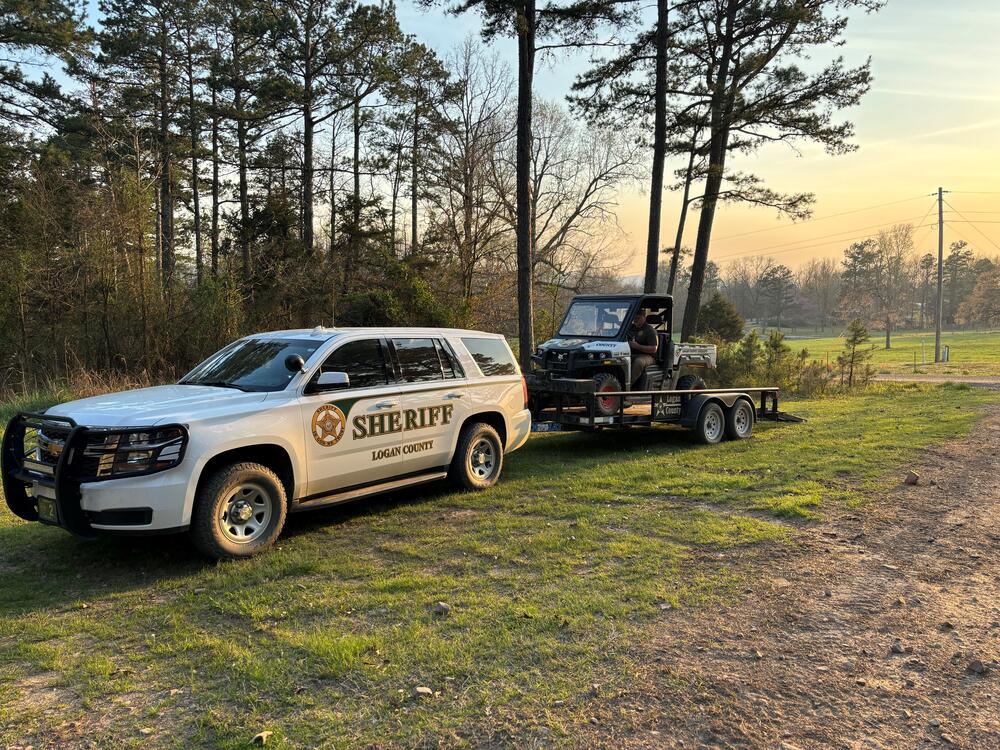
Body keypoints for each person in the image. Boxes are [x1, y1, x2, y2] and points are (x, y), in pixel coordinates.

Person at [627, 308, 658, 387]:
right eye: (634, 318)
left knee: (638, 362)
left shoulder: (650, 330)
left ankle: (628, 386)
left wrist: (637, 346)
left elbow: (654, 349)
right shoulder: (630, 328)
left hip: (648, 356)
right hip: (631, 353)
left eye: (638, 318)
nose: (635, 320)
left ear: (644, 317)